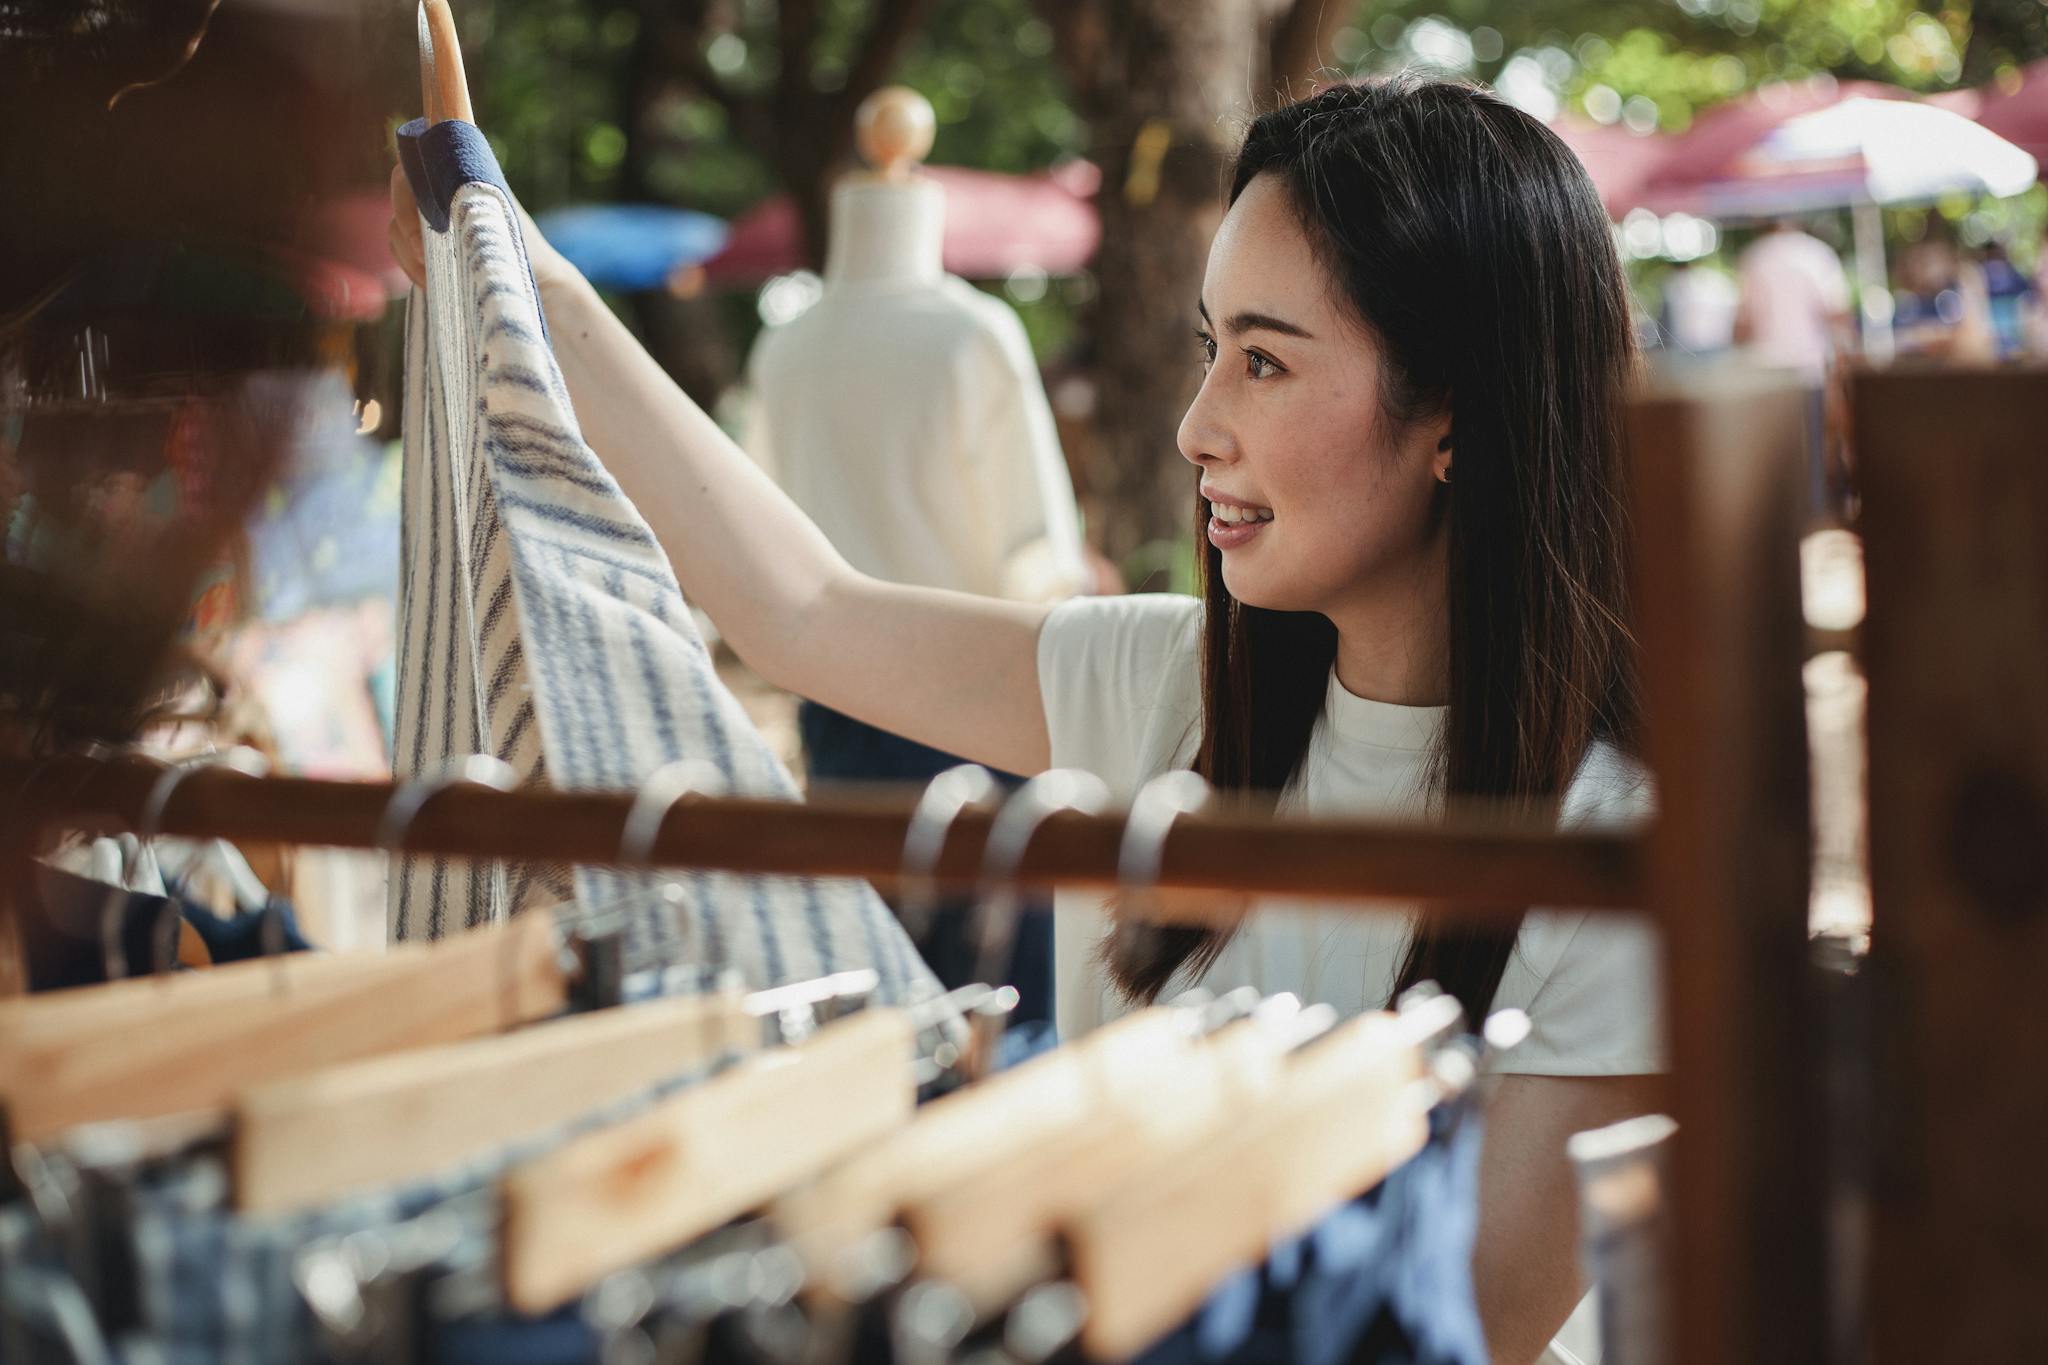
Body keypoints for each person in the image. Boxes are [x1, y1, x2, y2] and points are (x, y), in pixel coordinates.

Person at [391, 74, 1659, 1365]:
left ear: (1455, 411)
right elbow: (805, 611)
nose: (1196, 425)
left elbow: (1467, 1330)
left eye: (1265, 361)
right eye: (1207, 348)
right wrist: (514, 268)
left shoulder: (1612, 852)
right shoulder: (1167, 688)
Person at [1734, 217, 1854, 381]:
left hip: (1766, 363)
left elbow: (1743, 322)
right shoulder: (1818, 253)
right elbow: (1838, 313)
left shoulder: (1753, 257)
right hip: (1811, 365)